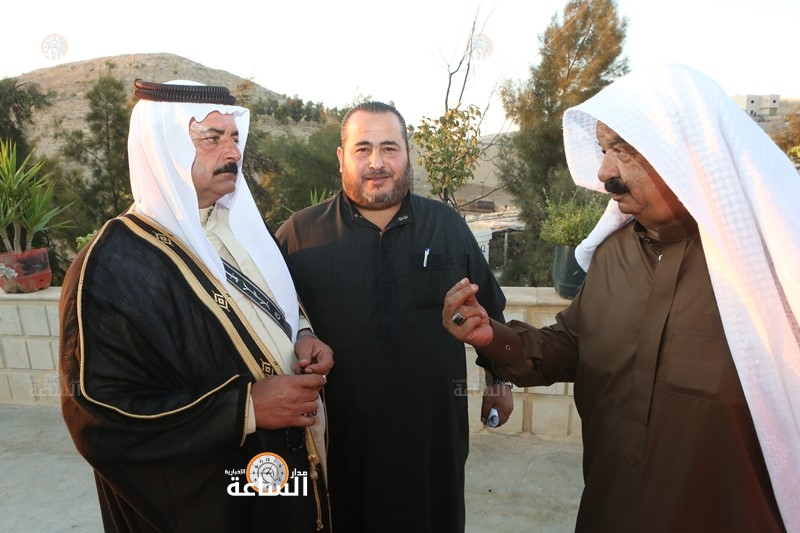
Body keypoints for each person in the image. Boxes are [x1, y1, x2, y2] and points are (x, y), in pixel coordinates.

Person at [442, 64, 800, 533]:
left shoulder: (771, 272)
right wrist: (493, 338)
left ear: (686, 153)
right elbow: (572, 345)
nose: (604, 171)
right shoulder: (613, 254)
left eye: (623, 149)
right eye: (603, 150)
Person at [59, 79, 333, 532]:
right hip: (213, 497)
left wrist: (303, 334)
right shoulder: (113, 264)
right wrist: (245, 409)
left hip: (279, 474)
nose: (233, 152)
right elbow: (97, 415)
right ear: (164, 147)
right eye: (211, 138)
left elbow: (273, 300)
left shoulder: (237, 224)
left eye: (235, 138)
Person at [275, 101, 510, 532]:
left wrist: (499, 380)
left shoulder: (447, 227)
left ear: (407, 155)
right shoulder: (299, 236)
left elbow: (489, 311)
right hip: (340, 438)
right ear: (341, 157)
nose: (377, 163)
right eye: (362, 148)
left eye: (389, 148)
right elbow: (271, 323)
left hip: (431, 437)